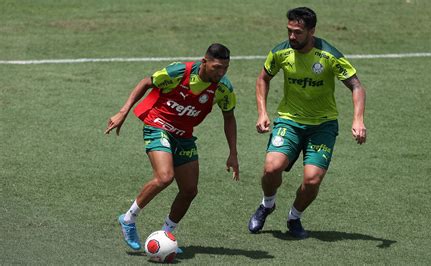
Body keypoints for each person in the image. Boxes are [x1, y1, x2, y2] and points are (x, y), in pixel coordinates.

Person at [105, 43, 239, 251]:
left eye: (225, 68)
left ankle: (166, 234)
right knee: (165, 177)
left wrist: (233, 153)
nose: (221, 73)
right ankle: (129, 219)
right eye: (216, 68)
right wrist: (123, 112)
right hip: (157, 125)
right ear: (204, 62)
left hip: (184, 136)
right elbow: (146, 82)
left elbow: (229, 117)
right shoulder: (179, 72)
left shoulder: (223, 88)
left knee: (189, 190)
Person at [248, 7, 367, 239]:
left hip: (323, 126)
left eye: (298, 32)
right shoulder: (280, 52)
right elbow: (263, 79)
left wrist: (358, 118)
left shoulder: (329, 55)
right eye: (289, 31)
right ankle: (267, 204)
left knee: (312, 181)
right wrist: (262, 112)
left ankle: (294, 217)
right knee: (271, 168)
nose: (292, 37)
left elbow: (356, 86)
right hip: (289, 121)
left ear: (311, 31)